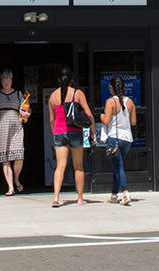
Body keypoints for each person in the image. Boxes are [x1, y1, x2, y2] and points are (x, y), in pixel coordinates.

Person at [48, 68, 93, 207]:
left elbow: (51, 119)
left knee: (60, 166)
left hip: (59, 131)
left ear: (58, 80)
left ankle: (56, 197)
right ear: (72, 79)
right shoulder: (77, 93)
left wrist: (55, 133)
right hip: (75, 131)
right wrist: (92, 132)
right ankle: (80, 198)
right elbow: (89, 114)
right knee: (78, 167)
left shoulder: (53, 97)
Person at [0, 69, 26, 195]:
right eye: (4, 79)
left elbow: (26, 108)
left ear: (12, 80)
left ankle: (16, 179)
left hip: (16, 127)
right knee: (5, 158)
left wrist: (26, 113)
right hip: (1, 127)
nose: (6, 82)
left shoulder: (18, 93)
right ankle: (11, 187)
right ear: (1, 81)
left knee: (19, 156)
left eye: (8, 79)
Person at [100, 76, 137, 205]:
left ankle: (125, 193)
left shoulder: (110, 102)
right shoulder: (130, 102)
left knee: (118, 167)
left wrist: (101, 116)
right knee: (117, 167)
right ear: (123, 87)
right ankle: (114, 195)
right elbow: (133, 122)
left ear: (111, 88)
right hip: (127, 139)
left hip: (114, 138)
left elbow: (106, 121)